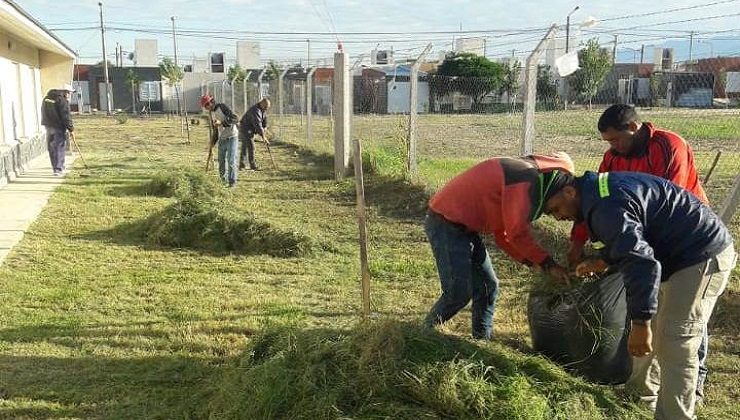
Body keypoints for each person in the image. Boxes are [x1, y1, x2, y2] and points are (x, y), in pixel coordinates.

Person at [544, 170, 735, 420]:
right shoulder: (597, 194)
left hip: (700, 256)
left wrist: (640, 322)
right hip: (675, 256)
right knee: (655, 333)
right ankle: (639, 395)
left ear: (569, 192)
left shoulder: (604, 205)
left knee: (676, 342)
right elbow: (631, 236)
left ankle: (675, 416)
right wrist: (603, 260)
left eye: (557, 209)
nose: (559, 217)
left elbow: (642, 264)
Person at [570, 104, 713, 401]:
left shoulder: (669, 145)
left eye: (616, 139)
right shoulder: (613, 157)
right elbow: (594, 196)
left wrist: (623, 248)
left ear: (634, 129)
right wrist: (578, 241)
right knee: (656, 303)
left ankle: (694, 380)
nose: (612, 147)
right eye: (608, 141)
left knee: (685, 313)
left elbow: (668, 200)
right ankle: (643, 384)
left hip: (685, 237)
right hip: (643, 236)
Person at [424, 153, 574, 340]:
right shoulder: (524, 179)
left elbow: (503, 236)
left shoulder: (534, 179)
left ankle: (481, 342)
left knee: (488, 286)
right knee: (458, 293)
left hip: (464, 227)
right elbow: (516, 234)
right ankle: (420, 335)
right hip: (446, 222)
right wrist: (548, 264)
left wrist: (531, 262)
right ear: (566, 191)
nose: (558, 216)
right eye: (555, 210)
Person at [200, 95, 239, 187]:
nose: (207, 107)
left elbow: (235, 118)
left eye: (207, 104)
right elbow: (215, 131)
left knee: (231, 160)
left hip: (232, 137)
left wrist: (222, 123)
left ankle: (232, 183)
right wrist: (212, 144)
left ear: (212, 102)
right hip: (222, 138)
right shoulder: (211, 114)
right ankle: (222, 181)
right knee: (221, 161)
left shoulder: (222, 107)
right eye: (205, 106)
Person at [41, 84, 75, 176]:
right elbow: (66, 116)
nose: (70, 95)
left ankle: (56, 167)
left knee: (52, 148)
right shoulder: (62, 101)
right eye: (70, 93)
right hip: (58, 127)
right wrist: (71, 128)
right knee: (59, 147)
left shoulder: (46, 98)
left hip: (48, 126)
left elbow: (43, 111)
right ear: (65, 92)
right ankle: (58, 169)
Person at [239, 98, 271, 171]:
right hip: (246, 128)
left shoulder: (262, 109)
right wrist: (263, 136)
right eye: (266, 107)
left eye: (267, 108)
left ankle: (242, 165)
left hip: (250, 129)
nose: (266, 109)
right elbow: (258, 125)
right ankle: (252, 165)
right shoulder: (256, 111)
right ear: (262, 104)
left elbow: (264, 119)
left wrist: (265, 127)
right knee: (251, 146)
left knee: (245, 146)